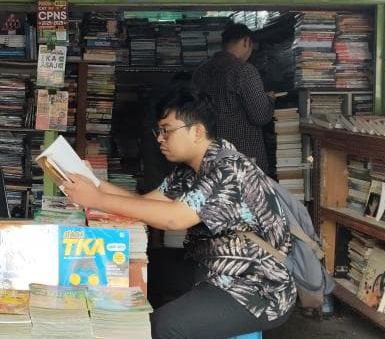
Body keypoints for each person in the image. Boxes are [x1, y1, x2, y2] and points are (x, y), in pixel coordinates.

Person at [61, 86, 295, 339]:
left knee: (164, 327)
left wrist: (97, 199)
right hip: (208, 267)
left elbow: (174, 217)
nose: (160, 138)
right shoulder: (187, 171)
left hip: (254, 286)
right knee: (132, 265)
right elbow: (145, 204)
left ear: (197, 131)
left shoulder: (229, 169)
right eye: (158, 131)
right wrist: (91, 182)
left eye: (167, 130)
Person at [192, 22, 275, 174]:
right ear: (246, 42)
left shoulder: (200, 72)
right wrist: (269, 100)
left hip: (206, 154)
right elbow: (261, 116)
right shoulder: (245, 71)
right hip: (243, 157)